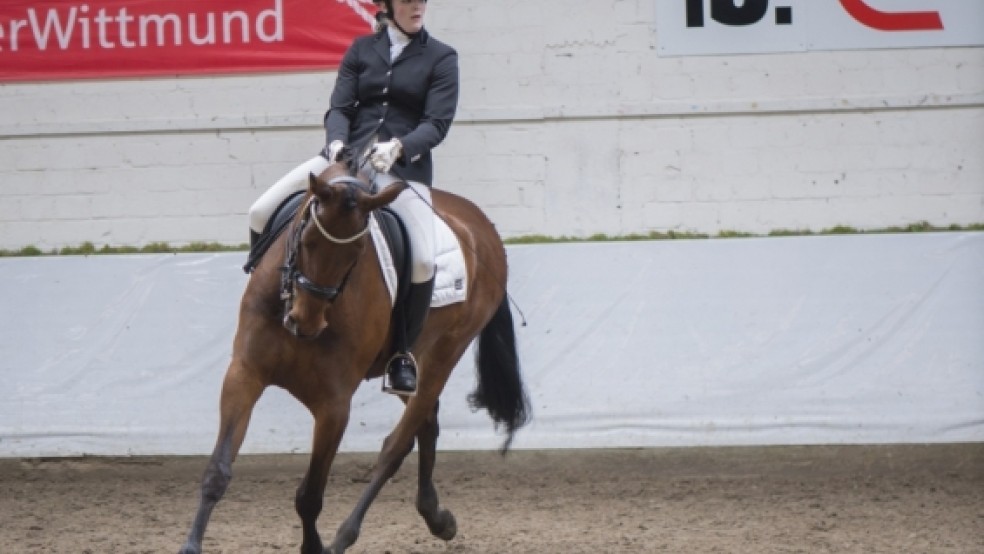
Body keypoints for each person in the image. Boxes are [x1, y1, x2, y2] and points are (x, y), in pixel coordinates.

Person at [246, 0, 459, 397]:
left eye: (422, 0)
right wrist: (337, 142)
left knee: (424, 259)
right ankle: (272, 303)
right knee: (260, 211)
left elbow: (437, 123)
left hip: (401, 170)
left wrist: (400, 147)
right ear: (387, 6)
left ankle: (400, 356)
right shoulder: (361, 50)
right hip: (345, 161)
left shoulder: (442, 57)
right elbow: (340, 107)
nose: (418, 6)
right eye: (409, 1)